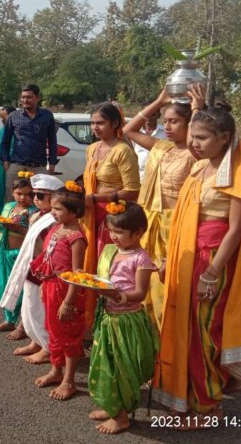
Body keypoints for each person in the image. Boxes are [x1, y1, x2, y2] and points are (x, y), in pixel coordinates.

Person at [156, 102, 241, 426]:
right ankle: (185, 399)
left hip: (210, 262)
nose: (194, 143)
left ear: (225, 137)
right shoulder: (200, 168)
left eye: (203, 138)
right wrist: (170, 256)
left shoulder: (236, 177)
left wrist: (211, 274)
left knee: (203, 333)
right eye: (192, 136)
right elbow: (184, 218)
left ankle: (209, 407)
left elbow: (236, 230)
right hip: (187, 256)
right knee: (185, 329)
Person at [122, 88, 196, 330]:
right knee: (145, 284)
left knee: (167, 289)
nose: (168, 126)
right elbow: (128, 130)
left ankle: (171, 349)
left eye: (174, 121)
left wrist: (197, 108)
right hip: (150, 223)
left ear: (189, 124)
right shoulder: (162, 147)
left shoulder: (196, 154)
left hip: (176, 228)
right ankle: (150, 345)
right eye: (166, 121)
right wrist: (160, 100)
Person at [88, 201, 159, 435]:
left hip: (127, 323)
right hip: (108, 319)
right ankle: (113, 407)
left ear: (138, 232)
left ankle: (121, 417)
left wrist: (117, 295)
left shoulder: (141, 259)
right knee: (104, 363)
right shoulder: (111, 251)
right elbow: (102, 278)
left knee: (121, 369)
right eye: (111, 231)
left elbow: (139, 294)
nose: (114, 236)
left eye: (119, 232)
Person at [82, 102, 140, 328]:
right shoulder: (92, 148)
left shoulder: (122, 151)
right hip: (89, 215)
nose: (95, 127)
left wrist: (97, 199)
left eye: (101, 123)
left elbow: (133, 190)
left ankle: (105, 322)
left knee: (105, 269)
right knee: (86, 266)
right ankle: (88, 321)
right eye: (93, 123)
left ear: (115, 123)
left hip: (112, 218)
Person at [29, 183, 87, 401]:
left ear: (74, 212)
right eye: (52, 207)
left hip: (67, 291)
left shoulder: (76, 238)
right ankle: (55, 370)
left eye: (58, 209)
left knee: (68, 335)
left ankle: (69, 381)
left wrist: (69, 302)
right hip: (51, 286)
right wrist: (45, 284)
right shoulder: (56, 228)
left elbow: (77, 273)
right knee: (53, 329)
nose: (53, 212)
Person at [0, 173, 65, 363]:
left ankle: (46, 345)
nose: (35, 199)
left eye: (41, 196)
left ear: (54, 197)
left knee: (41, 308)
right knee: (29, 305)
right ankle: (35, 340)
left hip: (44, 270)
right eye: (34, 195)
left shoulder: (54, 220)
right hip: (31, 265)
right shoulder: (37, 215)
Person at [0, 175, 35, 337]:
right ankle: (9, 320)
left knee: (22, 290)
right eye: (19, 193)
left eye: (27, 194)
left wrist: (17, 229)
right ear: (12, 192)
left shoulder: (33, 212)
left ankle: (23, 326)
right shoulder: (9, 206)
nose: (23, 197)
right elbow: (1, 226)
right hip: (3, 252)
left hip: (20, 255)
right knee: (3, 286)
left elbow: (35, 234)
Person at [0, 84, 58, 201]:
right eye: (23, 97)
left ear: (37, 98)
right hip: (17, 165)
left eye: (29, 97)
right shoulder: (13, 116)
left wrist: (52, 163)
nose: (25, 100)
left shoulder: (47, 115)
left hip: (39, 167)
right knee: (11, 200)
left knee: (40, 201)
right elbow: (5, 141)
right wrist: (5, 161)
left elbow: (52, 141)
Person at [132, 111, 166, 181]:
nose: (149, 117)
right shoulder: (135, 132)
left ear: (158, 115)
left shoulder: (166, 132)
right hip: (138, 177)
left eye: (152, 114)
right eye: (146, 114)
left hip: (158, 178)